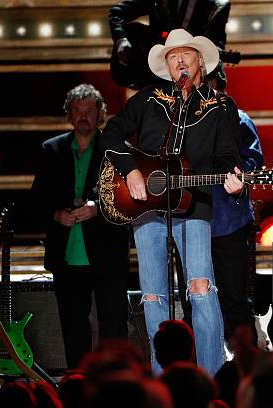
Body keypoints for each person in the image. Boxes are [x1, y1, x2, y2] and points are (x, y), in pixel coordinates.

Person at [100, 28, 243, 375]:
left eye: (186, 53)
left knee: (201, 288)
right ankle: (162, 379)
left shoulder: (221, 106)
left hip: (195, 204)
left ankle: (209, 378)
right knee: (153, 296)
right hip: (146, 206)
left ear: (200, 62)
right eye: (172, 55)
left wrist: (233, 179)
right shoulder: (150, 98)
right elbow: (113, 132)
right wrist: (131, 172)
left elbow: (226, 155)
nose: (178, 59)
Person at [31, 84, 130, 369]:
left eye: (89, 110)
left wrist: (97, 208)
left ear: (101, 115)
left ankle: (115, 385)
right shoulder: (50, 150)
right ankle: (79, 388)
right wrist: (55, 214)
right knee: (74, 331)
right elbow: (37, 199)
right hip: (67, 255)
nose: (83, 115)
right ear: (69, 115)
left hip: (107, 253)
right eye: (78, 110)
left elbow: (130, 197)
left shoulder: (115, 148)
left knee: (114, 329)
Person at [207, 64, 264, 343]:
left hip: (228, 222)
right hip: (192, 221)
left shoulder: (239, 120)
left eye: (208, 86)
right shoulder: (183, 124)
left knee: (234, 298)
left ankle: (246, 369)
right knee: (196, 298)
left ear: (221, 88)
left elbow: (254, 162)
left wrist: (240, 177)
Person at [108, 0, 230, 96]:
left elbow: (217, 41)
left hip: (187, 74)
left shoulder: (218, 4)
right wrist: (121, 40)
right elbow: (117, 13)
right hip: (156, 74)